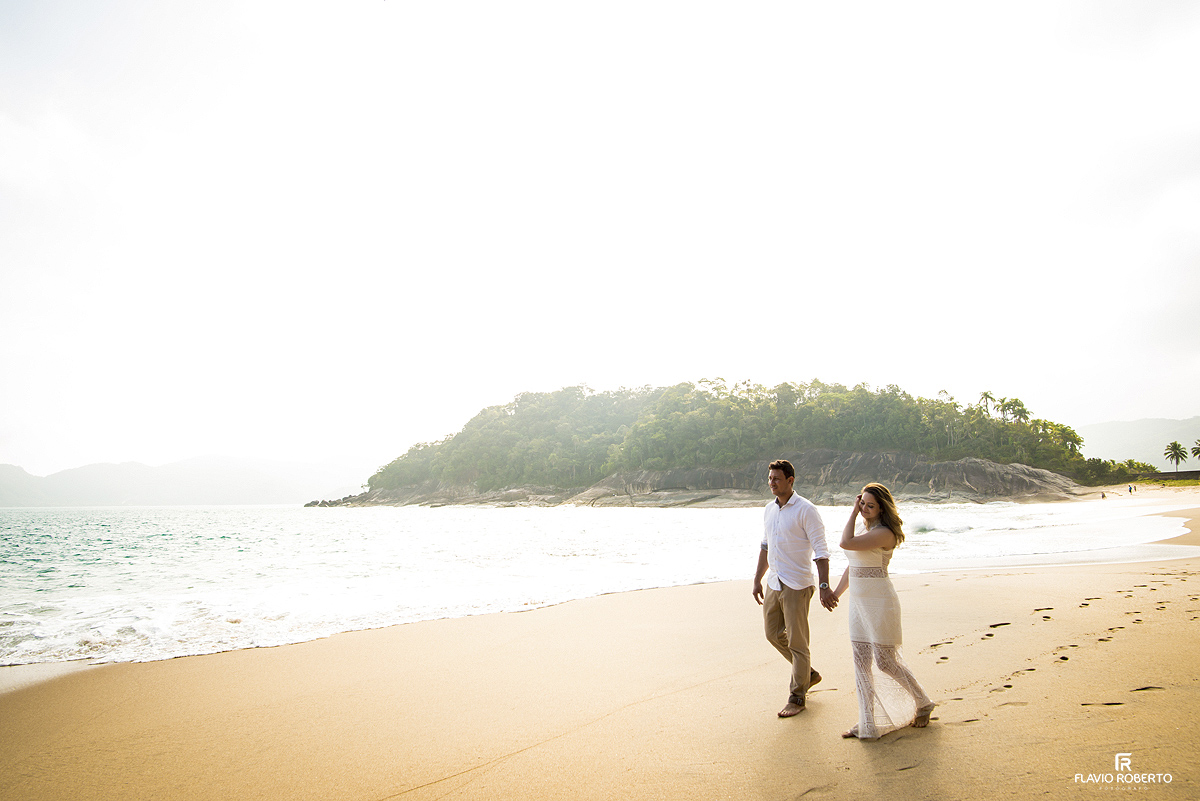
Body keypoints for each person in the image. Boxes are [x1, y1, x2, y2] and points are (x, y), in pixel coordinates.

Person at [832, 483, 934, 739]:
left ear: (881, 509)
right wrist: (836, 593)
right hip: (858, 605)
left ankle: (923, 702)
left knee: (885, 662)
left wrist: (852, 512)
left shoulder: (885, 533)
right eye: (862, 504)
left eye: (870, 506)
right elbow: (853, 565)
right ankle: (867, 721)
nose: (864, 509)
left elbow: (846, 543)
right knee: (861, 662)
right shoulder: (863, 531)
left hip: (880, 604)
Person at [753, 459, 838, 718]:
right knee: (772, 634)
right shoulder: (769, 509)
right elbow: (766, 546)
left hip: (798, 584)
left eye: (776, 479)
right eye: (770, 478)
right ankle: (808, 674)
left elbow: (821, 551)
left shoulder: (806, 510)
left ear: (790, 480)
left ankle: (797, 696)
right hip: (774, 582)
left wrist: (824, 586)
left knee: (798, 643)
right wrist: (757, 579)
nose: (772, 483)